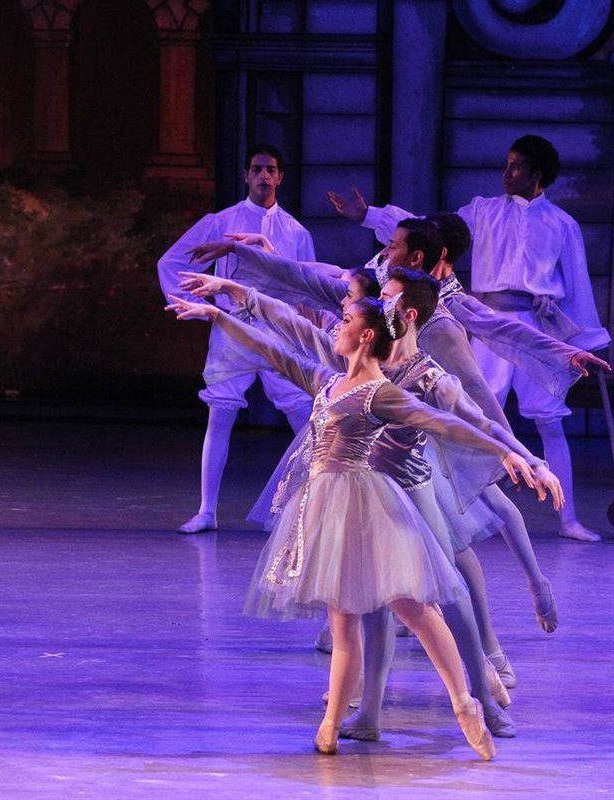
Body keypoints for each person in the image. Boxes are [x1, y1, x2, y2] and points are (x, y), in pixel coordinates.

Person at [180, 267, 566, 739]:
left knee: (445, 594)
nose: (377, 298)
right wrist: (232, 293)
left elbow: (474, 420)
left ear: (406, 313)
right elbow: (289, 334)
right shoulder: (349, 364)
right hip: (360, 487)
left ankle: (483, 697)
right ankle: (369, 713)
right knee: (371, 604)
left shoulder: (426, 376)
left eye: (388, 296)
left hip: (410, 488)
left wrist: (527, 459)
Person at [328, 134, 610, 541]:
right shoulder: (484, 210)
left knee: (549, 419)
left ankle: (568, 519)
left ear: (537, 174)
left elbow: (578, 282)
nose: (507, 173)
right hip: (486, 315)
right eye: (507, 164)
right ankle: (476, 506)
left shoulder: (561, 224)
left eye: (516, 166)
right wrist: (370, 215)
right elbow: (428, 230)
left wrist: (583, 342)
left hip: (536, 322)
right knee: (475, 407)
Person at [157, 144, 316, 533]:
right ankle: (207, 510)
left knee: (305, 418)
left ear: (280, 177)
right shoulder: (221, 221)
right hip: (234, 329)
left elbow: (308, 284)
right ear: (246, 175)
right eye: (257, 169)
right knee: (220, 415)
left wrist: (306, 331)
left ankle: (310, 508)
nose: (264, 176)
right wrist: (202, 305)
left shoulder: (295, 231)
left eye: (271, 169)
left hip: (279, 331)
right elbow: (172, 261)